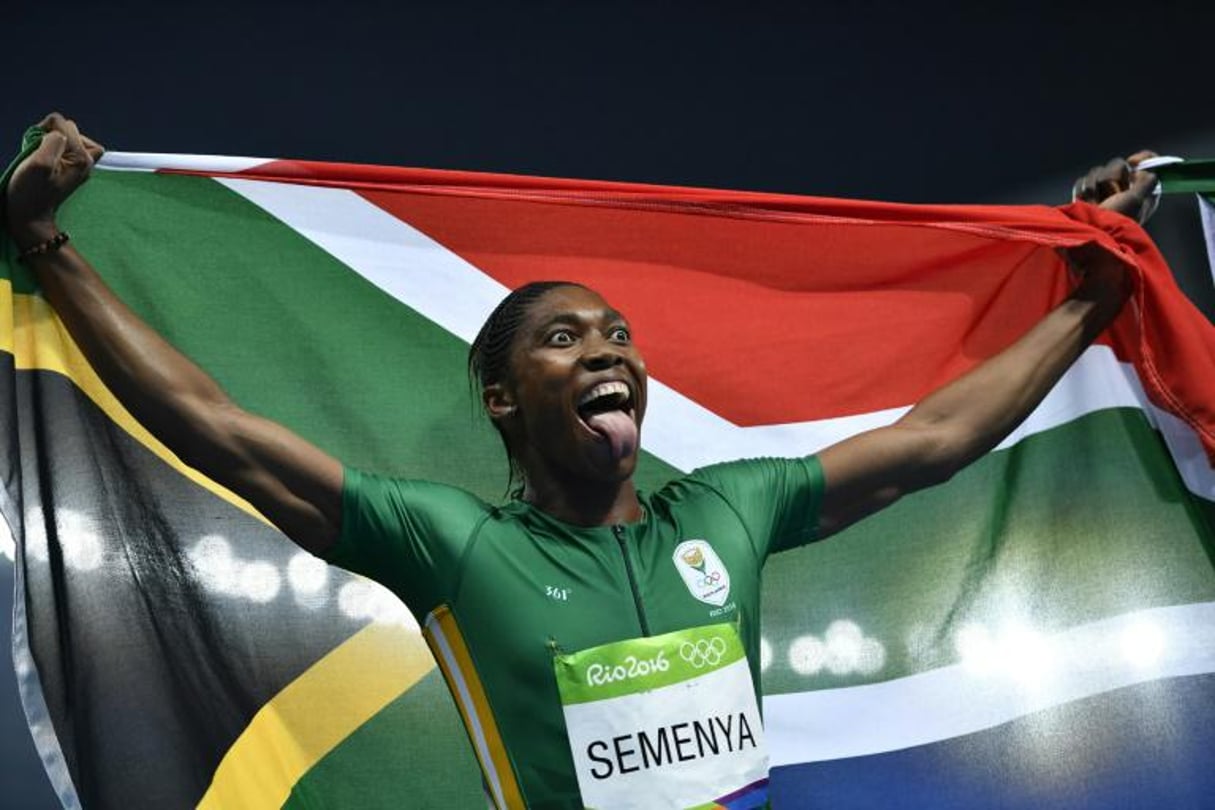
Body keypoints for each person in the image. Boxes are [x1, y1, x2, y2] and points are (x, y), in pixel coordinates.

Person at [4, 113, 1158, 809]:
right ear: (503, 399)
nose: (608, 348)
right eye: (565, 337)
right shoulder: (453, 545)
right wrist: (47, 243)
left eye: (618, 334)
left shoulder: (728, 513)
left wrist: (1090, 300)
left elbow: (932, 441)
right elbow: (216, 425)